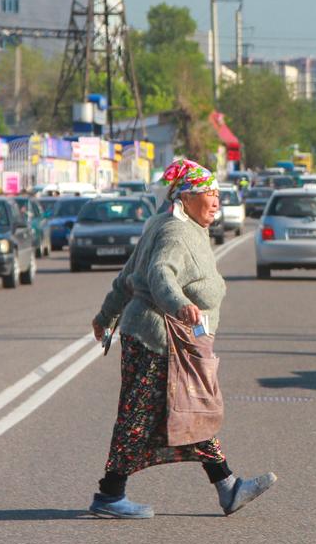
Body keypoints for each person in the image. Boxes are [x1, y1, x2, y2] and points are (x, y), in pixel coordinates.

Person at [88, 158, 276, 519]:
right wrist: (179, 304)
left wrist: (105, 316)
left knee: (186, 410)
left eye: (217, 193)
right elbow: (159, 274)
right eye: (209, 193)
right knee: (143, 417)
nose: (216, 201)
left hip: (159, 338)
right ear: (186, 197)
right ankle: (110, 495)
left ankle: (228, 487)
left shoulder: (171, 224)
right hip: (157, 340)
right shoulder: (177, 233)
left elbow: (127, 276)